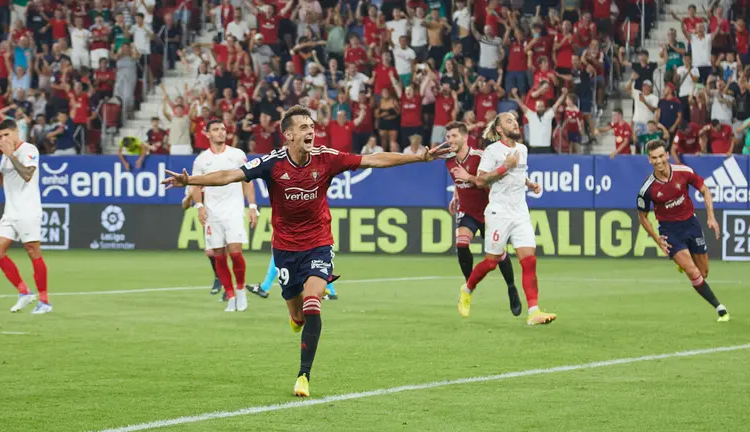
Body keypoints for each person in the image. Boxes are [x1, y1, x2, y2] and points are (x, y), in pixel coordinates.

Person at [162, 105, 450, 397]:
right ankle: (296, 317)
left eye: (312, 127)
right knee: (298, 316)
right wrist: (190, 181)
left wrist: (419, 157)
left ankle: (303, 376)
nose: (310, 131)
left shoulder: (327, 158)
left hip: (319, 244)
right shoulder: (272, 163)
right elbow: (228, 175)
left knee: (313, 302)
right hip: (285, 249)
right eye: (303, 127)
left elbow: (374, 159)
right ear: (288, 135)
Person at [450, 112, 556, 325]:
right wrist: (505, 166)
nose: (515, 123)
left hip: (520, 212)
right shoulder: (492, 151)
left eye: (515, 120)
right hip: (498, 212)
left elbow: (519, 173)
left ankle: (534, 311)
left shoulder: (522, 149)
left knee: (529, 261)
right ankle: (467, 289)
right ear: (499, 129)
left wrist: (530, 184)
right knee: (491, 262)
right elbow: (481, 180)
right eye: (509, 121)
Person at [636, 140, 730, 322]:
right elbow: (642, 217)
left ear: (667, 155)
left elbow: (704, 190)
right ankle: (720, 308)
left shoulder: (684, 172)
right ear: (649, 160)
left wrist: (711, 217)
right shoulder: (647, 189)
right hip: (670, 231)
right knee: (692, 272)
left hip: (691, 224)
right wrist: (657, 239)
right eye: (654, 158)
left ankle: (683, 263)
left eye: (661, 156)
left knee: (703, 272)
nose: (658, 161)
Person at [444, 121, 521, 316]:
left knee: (499, 254)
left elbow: (489, 182)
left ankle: (512, 288)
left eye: (454, 136)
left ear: (465, 137)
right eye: (448, 137)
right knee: (461, 244)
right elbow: (458, 181)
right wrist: (455, 196)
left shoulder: (480, 157)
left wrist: (468, 177)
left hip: (489, 211)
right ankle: (468, 287)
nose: (450, 140)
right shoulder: (449, 161)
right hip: (467, 211)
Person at [190, 119, 259, 312]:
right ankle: (230, 296)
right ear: (208, 134)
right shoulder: (201, 160)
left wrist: (252, 206)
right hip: (212, 214)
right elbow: (195, 185)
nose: (221, 132)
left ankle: (241, 291)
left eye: (223, 129)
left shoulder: (237, 155)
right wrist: (199, 206)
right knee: (219, 257)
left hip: (234, 211)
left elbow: (247, 180)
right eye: (216, 129)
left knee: (236, 253)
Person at [0, 118, 51, 314]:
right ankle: (24, 292)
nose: (3, 139)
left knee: (33, 252)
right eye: (0, 136)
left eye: (7, 134)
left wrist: (11, 155)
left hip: (28, 210)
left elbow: (27, 174)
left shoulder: (29, 150)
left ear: (16, 132)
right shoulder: (6, 156)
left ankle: (44, 301)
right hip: (10, 211)